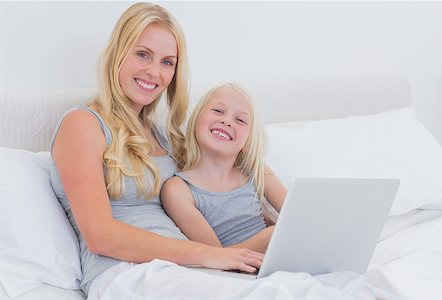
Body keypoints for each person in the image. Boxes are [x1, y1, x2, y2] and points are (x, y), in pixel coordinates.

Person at [49, 3, 263, 297]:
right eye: (143, 54)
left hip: (182, 269)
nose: (154, 72)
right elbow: (99, 234)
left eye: (167, 62)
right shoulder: (83, 123)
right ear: (118, 53)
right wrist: (203, 254)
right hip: (125, 274)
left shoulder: (165, 136)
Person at [161, 83, 287, 254]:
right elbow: (215, 257)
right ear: (197, 120)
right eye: (218, 111)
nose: (226, 121)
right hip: (236, 273)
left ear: (248, 143)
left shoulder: (256, 171)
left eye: (240, 120)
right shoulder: (178, 190)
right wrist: (268, 237)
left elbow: (299, 216)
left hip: (280, 257)